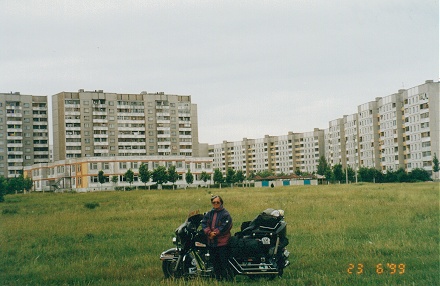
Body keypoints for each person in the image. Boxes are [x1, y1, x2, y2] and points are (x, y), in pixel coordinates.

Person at [201, 195, 233, 281]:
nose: (215, 204)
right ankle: (218, 278)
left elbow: (226, 226)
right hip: (212, 242)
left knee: (223, 262)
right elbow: (204, 223)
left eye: (217, 202)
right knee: (215, 262)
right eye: (214, 202)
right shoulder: (209, 213)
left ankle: (228, 278)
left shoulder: (225, 214)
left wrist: (214, 233)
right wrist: (208, 232)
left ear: (221, 203)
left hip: (222, 242)